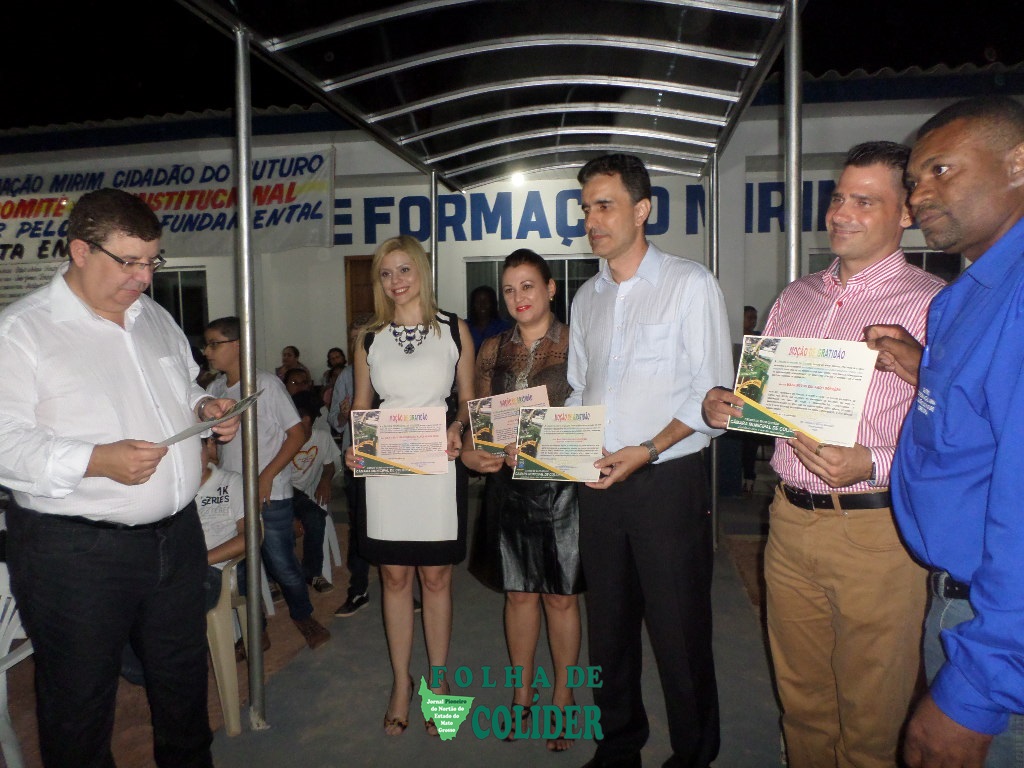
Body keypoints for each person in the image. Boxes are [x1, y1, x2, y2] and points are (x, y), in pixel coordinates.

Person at [704, 141, 945, 767]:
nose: (841, 213)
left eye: (865, 201)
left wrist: (874, 460)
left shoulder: (935, 305)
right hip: (787, 520)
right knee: (803, 705)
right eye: (839, 197)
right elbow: (768, 404)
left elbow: (957, 429)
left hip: (877, 532)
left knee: (872, 719)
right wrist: (727, 406)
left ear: (906, 213)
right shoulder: (796, 298)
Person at [0, 187, 240, 768]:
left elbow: (181, 386)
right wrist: (95, 459)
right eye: (129, 262)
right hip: (76, 553)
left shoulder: (153, 316)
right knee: (79, 702)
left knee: (182, 682)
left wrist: (203, 406)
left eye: (152, 261)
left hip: (176, 537)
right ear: (81, 250)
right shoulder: (21, 332)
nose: (144, 278)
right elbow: (5, 443)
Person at [866, 95, 1024, 768]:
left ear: (1019, 163)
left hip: (996, 631)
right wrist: (926, 366)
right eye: (913, 180)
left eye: (941, 170)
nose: (919, 195)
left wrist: (979, 687)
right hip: (959, 601)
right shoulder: (972, 293)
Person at [567, 154, 732, 768]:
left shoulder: (690, 284)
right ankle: (618, 746)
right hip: (600, 483)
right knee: (608, 628)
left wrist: (648, 449)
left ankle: (694, 754)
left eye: (604, 205)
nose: (592, 220)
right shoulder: (587, 297)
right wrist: (569, 444)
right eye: (586, 208)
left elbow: (712, 394)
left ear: (642, 210)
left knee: (678, 629)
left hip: (668, 482)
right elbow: (581, 389)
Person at [342, 234, 474, 737]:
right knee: (394, 578)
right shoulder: (368, 336)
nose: (395, 281)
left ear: (421, 270)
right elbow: (361, 405)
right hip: (387, 467)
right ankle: (402, 682)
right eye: (385, 273)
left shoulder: (453, 328)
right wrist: (355, 446)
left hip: (437, 463)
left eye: (404, 269)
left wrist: (458, 427)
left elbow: (467, 399)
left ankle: (438, 681)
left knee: (436, 579)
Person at [461, 249, 585, 752]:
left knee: (560, 596)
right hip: (508, 484)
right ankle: (521, 695)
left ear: (551, 288)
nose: (519, 298)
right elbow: (477, 416)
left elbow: (597, 407)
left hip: (562, 484)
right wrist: (472, 448)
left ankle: (563, 698)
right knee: (518, 594)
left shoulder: (578, 341)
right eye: (510, 289)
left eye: (528, 286)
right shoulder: (492, 348)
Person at [204, 316, 331, 650]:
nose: (207, 352)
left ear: (237, 345)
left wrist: (266, 476)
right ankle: (255, 630)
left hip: (269, 491)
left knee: (281, 563)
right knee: (243, 569)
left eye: (214, 344)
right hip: (234, 494)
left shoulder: (266, 385)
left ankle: (303, 616)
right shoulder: (215, 390)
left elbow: (297, 434)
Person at [330, 326, 374, 617]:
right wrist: (344, 414)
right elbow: (335, 421)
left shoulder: (392, 368)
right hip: (356, 461)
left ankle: (403, 590)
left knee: (396, 527)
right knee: (359, 525)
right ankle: (358, 589)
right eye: (353, 338)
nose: (358, 343)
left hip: (394, 460)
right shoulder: (346, 375)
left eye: (363, 337)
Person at [290, 390, 341, 593]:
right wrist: (291, 515)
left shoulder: (322, 437)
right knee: (282, 525)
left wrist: (325, 480)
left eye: (305, 425)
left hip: (302, 495)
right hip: (281, 492)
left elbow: (329, 465)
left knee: (315, 517)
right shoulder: (281, 439)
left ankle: (312, 573)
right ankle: (276, 577)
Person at [467, 284, 510, 352]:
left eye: (486, 301)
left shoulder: (504, 327)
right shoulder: (465, 327)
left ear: (493, 303)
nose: (482, 305)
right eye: (478, 301)